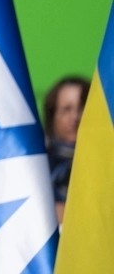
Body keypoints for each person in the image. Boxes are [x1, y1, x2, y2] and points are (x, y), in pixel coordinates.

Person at [42, 75, 89, 224]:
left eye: (81, 108)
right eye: (66, 109)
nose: (75, 117)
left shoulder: (106, 161)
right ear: (53, 115)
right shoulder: (39, 164)